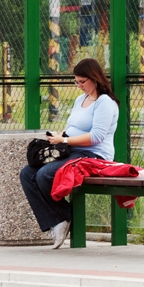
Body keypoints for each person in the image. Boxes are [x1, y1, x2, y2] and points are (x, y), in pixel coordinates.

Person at [19, 58, 120, 249]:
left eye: (83, 81)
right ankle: (58, 220)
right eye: (77, 82)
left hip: (93, 155)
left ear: (95, 78)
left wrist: (64, 141)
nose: (79, 86)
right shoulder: (79, 100)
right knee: (27, 173)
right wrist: (60, 135)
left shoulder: (104, 102)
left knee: (46, 173)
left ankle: (64, 216)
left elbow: (96, 136)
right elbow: (72, 126)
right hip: (72, 150)